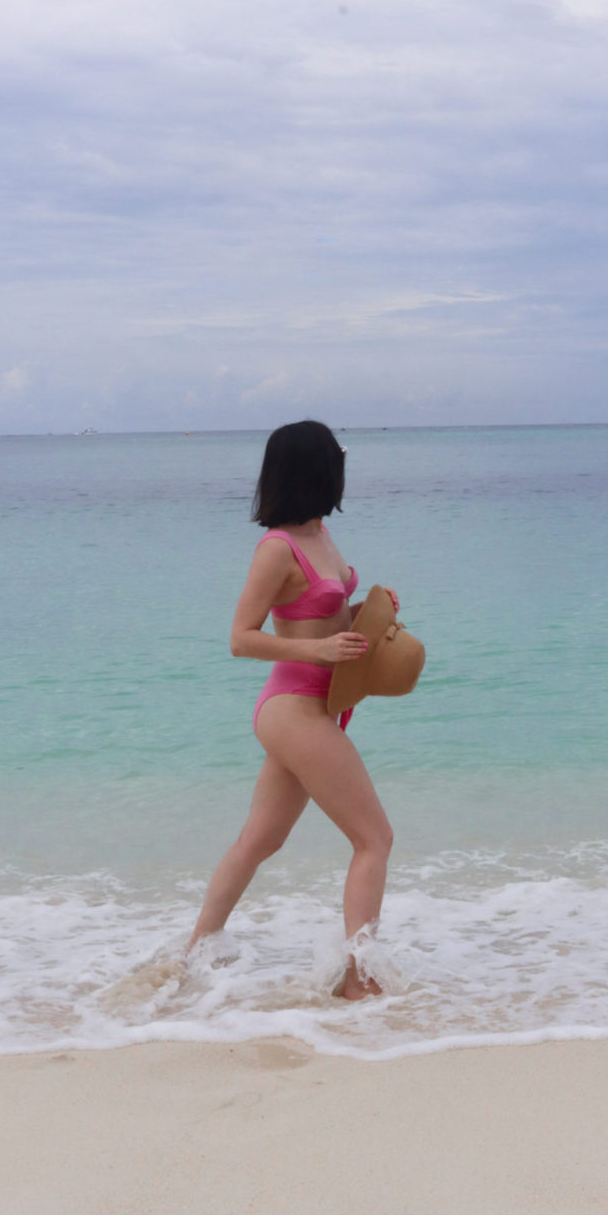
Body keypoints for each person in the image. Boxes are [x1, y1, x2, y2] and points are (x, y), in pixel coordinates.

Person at [187, 420, 397, 1000]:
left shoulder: (321, 534)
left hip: (320, 709)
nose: (344, 467)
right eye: (338, 457)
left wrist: (368, 612)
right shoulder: (276, 548)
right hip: (292, 708)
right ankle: (357, 979)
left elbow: (329, 618)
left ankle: (193, 955)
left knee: (259, 839)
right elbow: (240, 637)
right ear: (315, 467)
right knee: (374, 839)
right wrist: (319, 649)